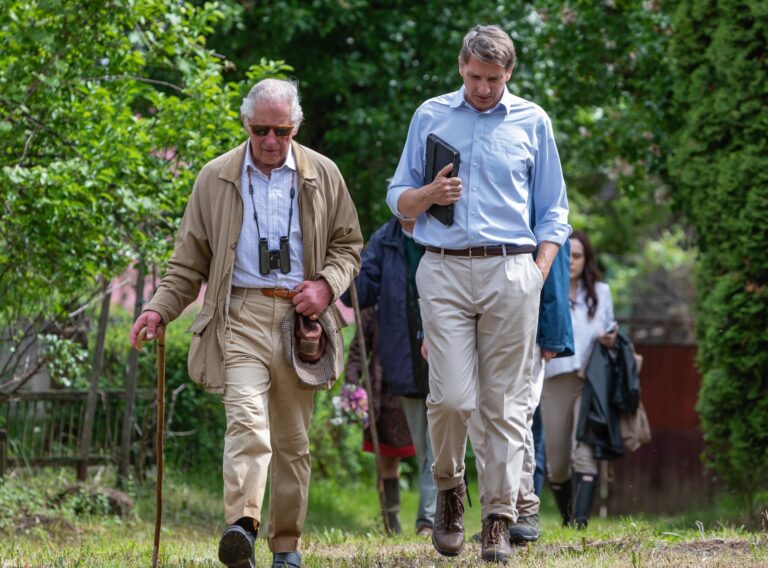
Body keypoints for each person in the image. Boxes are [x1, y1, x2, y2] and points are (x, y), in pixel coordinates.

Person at [129, 78, 363, 568]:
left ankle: (286, 547)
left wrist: (325, 285)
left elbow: (348, 247)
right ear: (246, 124)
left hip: (302, 320)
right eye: (261, 130)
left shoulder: (323, 173)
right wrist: (157, 309)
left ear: (296, 126)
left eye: (281, 130)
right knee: (246, 423)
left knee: (293, 443)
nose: (271, 141)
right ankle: (243, 526)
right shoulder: (215, 177)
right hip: (239, 314)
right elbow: (187, 264)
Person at [387, 24, 570, 563]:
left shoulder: (532, 121)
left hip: (511, 270)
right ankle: (449, 491)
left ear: (508, 73)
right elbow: (398, 199)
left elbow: (554, 210)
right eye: (474, 77)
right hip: (442, 269)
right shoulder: (430, 115)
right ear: (460, 66)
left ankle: (497, 518)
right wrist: (427, 194)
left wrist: (537, 270)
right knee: (450, 400)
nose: (483, 88)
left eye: (493, 78)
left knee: (506, 405)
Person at [468, 240, 573, 544]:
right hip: (478, 320)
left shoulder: (536, 197)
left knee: (516, 413)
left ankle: (524, 507)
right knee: (478, 418)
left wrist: (552, 333)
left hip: (530, 324)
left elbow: (554, 265)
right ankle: (495, 513)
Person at [341, 217, 437, 537]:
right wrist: (345, 265)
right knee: (424, 445)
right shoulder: (385, 239)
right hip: (401, 361)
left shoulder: (445, 226)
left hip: (444, 354)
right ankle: (401, 522)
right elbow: (360, 295)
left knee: (439, 440)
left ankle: (429, 520)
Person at [541, 229, 616, 530]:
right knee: (557, 464)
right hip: (553, 380)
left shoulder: (601, 293)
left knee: (583, 453)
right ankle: (567, 517)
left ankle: (580, 524)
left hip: (589, 382)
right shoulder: (547, 289)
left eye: (577, 256)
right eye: (566, 255)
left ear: (587, 260)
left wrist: (610, 339)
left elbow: (611, 330)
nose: (571, 261)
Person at [343, 306, 417, 535]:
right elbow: (358, 350)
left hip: (415, 386)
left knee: (430, 456)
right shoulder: (373, 310)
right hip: (382, 392)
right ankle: (391, 518)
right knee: (387, 460)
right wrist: (352, 381)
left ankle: (430, 519)